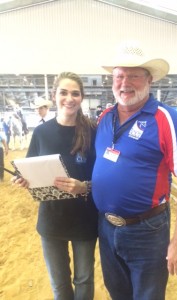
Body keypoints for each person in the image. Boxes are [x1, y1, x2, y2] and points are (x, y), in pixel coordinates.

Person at [92, 42, 177, 300]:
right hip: (106, 226)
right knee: (117, 292)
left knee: (148, 296)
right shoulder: (105, 117)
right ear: (112, 80)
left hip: (147, 230)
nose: (125, 83)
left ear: (149, 80)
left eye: (134, 76)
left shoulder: (166, 118)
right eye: (119, 76)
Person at [12, 72, 98, 300]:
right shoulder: (41, 133)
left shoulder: (92, 131)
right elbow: (28, 168)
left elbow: (103, 176)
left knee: (84, 279)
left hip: (85, 219)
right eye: (63, 92)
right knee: (59, 284)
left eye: (75, 93)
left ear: (82, 97)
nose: (69, 98)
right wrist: (23, 179)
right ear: (54, 96)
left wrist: (84, 186)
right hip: (51, 220)